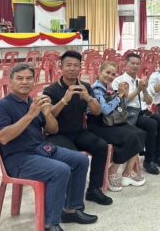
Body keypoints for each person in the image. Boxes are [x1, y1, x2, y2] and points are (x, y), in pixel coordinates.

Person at [0, 63, 98, 231]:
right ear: (10, 82)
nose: (24, 82)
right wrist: (30, 116)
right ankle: (50, 224)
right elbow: (3, 137)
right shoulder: (3, 106)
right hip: (19, 159)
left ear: (34, 81)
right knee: (60, 170)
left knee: (80, 159)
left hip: (41, 149)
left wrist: (47, 114)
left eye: (29, 78)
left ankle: (71, 209)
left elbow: (53, 129)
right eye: (19, 78)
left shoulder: (32, 102)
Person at [43, 50, 113, 206]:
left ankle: (94, 189)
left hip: (78, 132)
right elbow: (48, 116)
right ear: (61, 67)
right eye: (68, 65)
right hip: (57, 135)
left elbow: (97, 111)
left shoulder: (85, 86)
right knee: (75, 157)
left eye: (76, 65)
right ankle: (71, 200)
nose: (72, 69)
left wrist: (88, 98)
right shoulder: (51, 90)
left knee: (101, 146)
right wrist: (64, 100)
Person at [88, 61, 147, 191]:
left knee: (140, 133)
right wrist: (119, 96)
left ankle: (127, 173)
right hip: (97, 125)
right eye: (107, 72)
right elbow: (106, 110)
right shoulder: (96, 89)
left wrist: (123, 95)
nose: (110, 76)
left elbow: (120, 108)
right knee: (129, 136)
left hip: (110, 122)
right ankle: (112, 170)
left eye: (113, 74)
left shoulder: (108, 87)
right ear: (100, 72)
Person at [112, 52, 160, 175]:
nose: (135, 66)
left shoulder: (140, 80)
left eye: (138, 64)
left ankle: (158, 155)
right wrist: (138, 90)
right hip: (128, 113)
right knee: (151, 124)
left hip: (142, 111)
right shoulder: (119, 81)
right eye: (132, 63)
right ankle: (149, 160)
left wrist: (144, 91)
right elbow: (122, 101)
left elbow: (149, 101)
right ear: (125, 64)